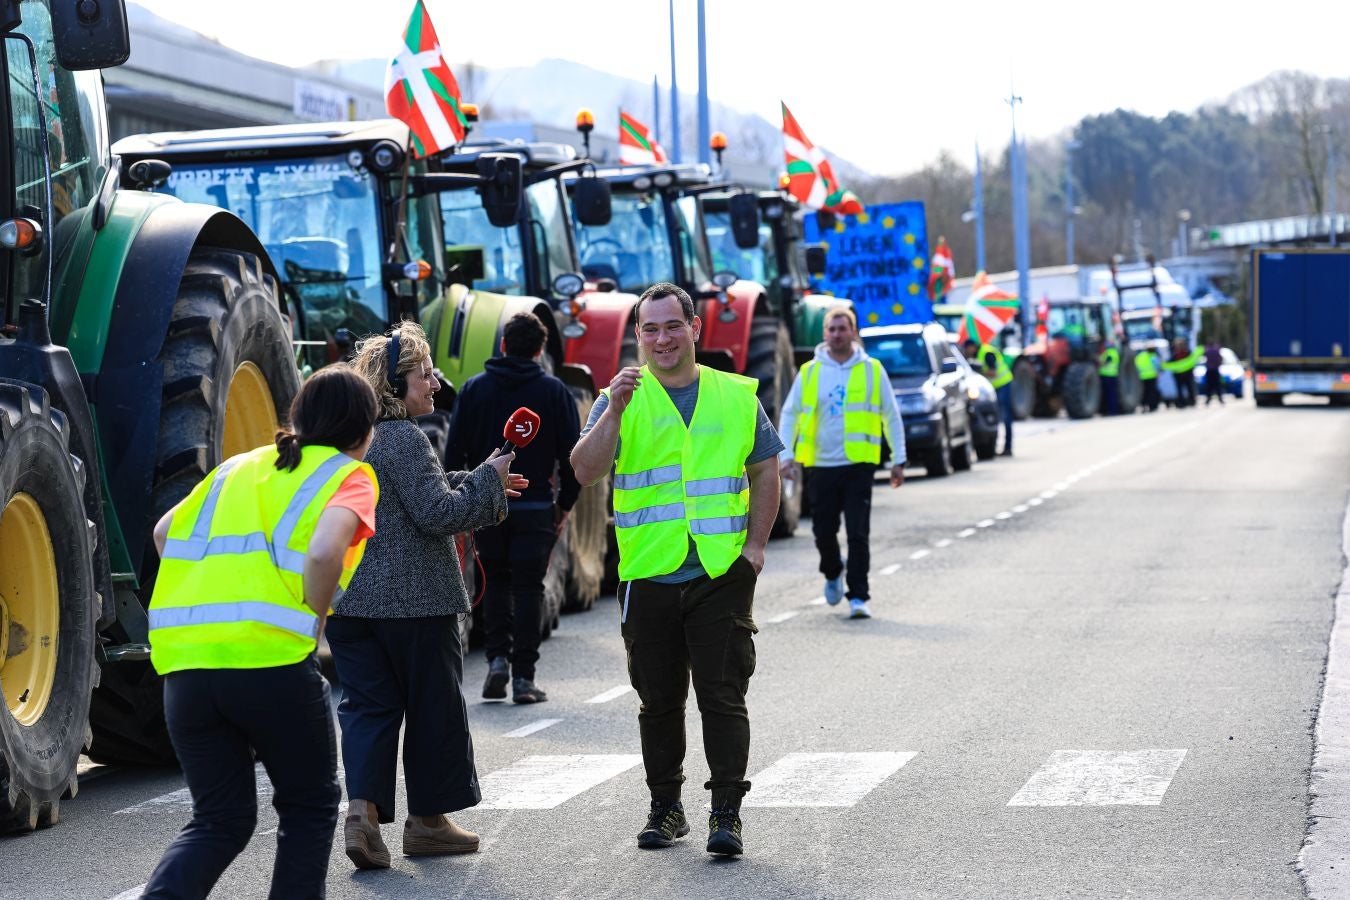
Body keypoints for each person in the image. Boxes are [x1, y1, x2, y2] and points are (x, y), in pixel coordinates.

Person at [141, 365, 380, 900]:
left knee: (218, 820)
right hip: (271, 666)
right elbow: (323, 551)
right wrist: (313, 620)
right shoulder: (349, 475)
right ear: (364, 431)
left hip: (187, 671)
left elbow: (163, 534)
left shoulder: (234, 468)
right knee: (309, 806)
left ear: (298, 416)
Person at [570, 282, 781, 858]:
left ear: (695, 330)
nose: (662, 339)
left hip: (719, 573)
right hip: (649, 575)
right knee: (658, 701)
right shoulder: (621, 396)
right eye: (650, 329)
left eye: (672, 326)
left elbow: (766, 472)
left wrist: (755, 548)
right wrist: (612, 409)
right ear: (638, 336)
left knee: (722, 697)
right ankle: (666, 807)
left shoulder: (736, 395)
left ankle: (727, 814)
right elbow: (585, 471)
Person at [329, 322, 522, 870]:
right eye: (422, 374)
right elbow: (438, 513)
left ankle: (361, 815)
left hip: (351, 605)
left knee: (366, 709)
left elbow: (402, 495)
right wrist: (486, 480)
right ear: (394, 383)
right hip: (418, 605)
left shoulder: (348, 441)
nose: (435, 383)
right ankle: (428, 823)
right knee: (434, 708)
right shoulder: (405, 437)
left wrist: (479, 478)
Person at [446, 312, 582, 704]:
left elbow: (454, 454)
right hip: (536, 506)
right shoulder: (556, 392)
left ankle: (496, 663)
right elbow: (571, 457)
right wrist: (564, 506)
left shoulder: (473, 390)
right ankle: (524, 678)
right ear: (540, 351)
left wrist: (465, 501)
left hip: (488, 506)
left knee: (495, 583)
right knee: (527, 588)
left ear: (502, 345)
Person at [778, 307, 905, 621]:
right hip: (820, 465)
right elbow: (789, 413)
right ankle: (833, 572)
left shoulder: (873, 369)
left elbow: (890, 414)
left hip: (858, 464)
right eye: (831, 329)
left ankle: (859, 595)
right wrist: (786, 454)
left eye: (842, 328)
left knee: (858, 532)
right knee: (823, 531)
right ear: (825, 334)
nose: (836, 334)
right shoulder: (809, 372)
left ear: (853, 332)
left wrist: (898, 459)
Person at [964, 337, 1014, 455]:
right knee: (995, 418)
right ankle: (995, 446)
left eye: (967, 349)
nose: (966, 352)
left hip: (1003, 385)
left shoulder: (987, 353)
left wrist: (978, 371)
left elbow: (993, 372)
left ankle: (1008, 447)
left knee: (1006, 417)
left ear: (972, 347)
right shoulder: (976, 355)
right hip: (994, 388)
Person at [1164, 338, 1200, 408]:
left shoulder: (1187, 353)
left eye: (1180, 345)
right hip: (1178, 375)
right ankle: (1181, 403)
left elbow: (1192, 362)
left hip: (1187, 374)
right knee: (1180, 389)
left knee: (1190, 388)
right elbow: (1170, 364)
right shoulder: (1174, 355)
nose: (1179, 346)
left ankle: (1191, 401)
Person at [1136, 345, 1162, 412]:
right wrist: (1158, 373)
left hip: (1142, 376)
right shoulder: (1152, 356)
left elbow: (1136, 365)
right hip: (1151, 376)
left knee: (1145, 392)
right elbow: (1157, 366)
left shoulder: (1140, 356)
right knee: (1152, 392)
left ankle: (1143, 406)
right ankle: (1152, 406)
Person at [1098, 343, 1121, 415]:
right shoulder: (1115, 353)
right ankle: (1111, 410)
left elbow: (1105, 362)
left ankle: (1111, 411)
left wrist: (1098, 360)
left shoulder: (1109, 353)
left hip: (1107, 376)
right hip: (1112, 376)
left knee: (1109, 395)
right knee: (1111, 394)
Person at [1203, 338, 1226, 405]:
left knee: (1209, 386)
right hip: (1216, 370)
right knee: (1218, 386)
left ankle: (1208, 399)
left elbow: (1205, 356)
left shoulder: (1207, 350)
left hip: (1209, 370)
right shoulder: (1216, 350)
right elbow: (1220, 358)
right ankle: (1220, 399)